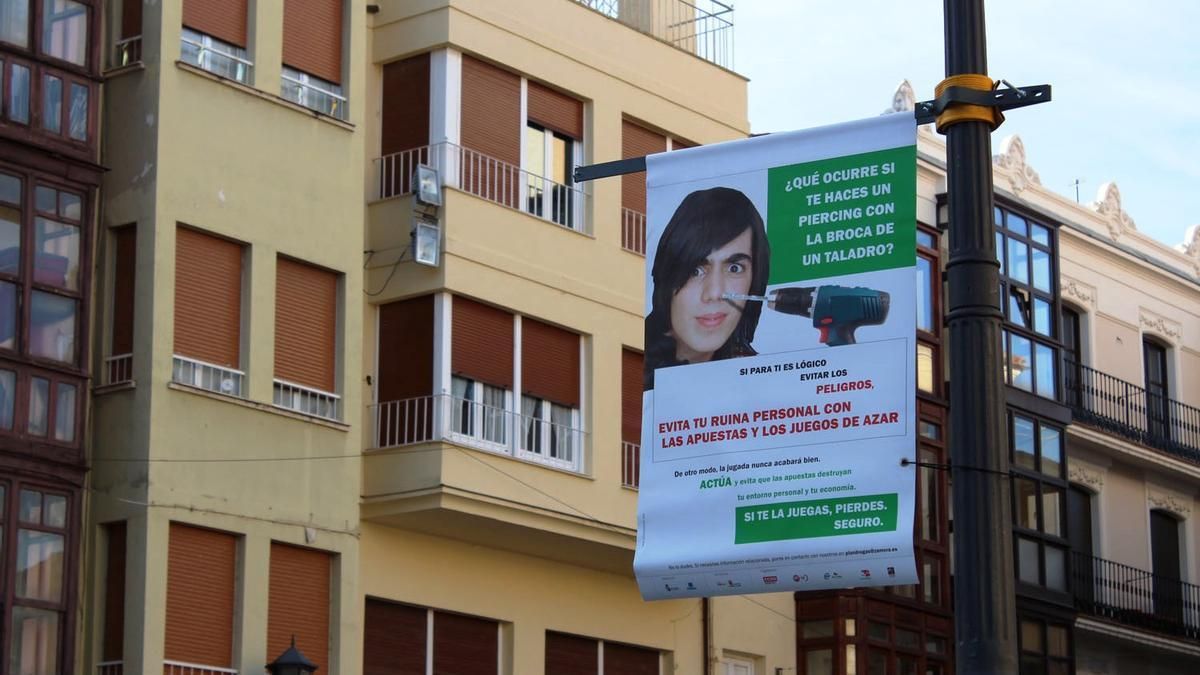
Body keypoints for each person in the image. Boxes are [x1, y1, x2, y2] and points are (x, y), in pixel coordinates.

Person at [645, 187, 770, 389]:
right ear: (666, 274)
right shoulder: (634, 371)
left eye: (734, 268)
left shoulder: (756, 379)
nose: (714, 293)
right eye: (695, 270)